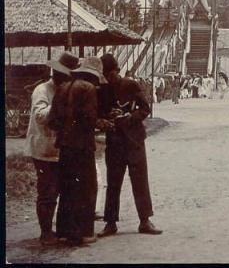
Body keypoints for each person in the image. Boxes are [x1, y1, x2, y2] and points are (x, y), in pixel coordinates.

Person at [96, 55, 162, 237]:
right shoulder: (102, 90)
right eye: (106, 75)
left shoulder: (131, 85)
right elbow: (99, 113)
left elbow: (145, 108)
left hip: (134, 141)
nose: (110, 78)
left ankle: (145, 220)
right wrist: (108, 117)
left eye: (112, 74)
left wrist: (130, 116)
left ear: (117, 70)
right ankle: (110, 223)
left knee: (140, 181)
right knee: (113, 183)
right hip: (115, 142)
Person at [46, 56, 104, 246]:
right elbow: (89, 119)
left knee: (67, 188)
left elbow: (52, 120)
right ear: (92, 76)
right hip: (82, 146)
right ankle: (83, 232)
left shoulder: (63, 88)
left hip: (64, 146)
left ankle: (64, 231)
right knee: (86, 188)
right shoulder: (88, 89)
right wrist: (101, 124)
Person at [25, 51, 80, 245]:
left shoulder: (66, 90)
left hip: (60, 149)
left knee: (63, 190)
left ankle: (60, 229)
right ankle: (45, 232)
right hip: (43, 148)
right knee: (47, 192)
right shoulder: (42, 90)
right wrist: (58, 104)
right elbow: (40, 115)